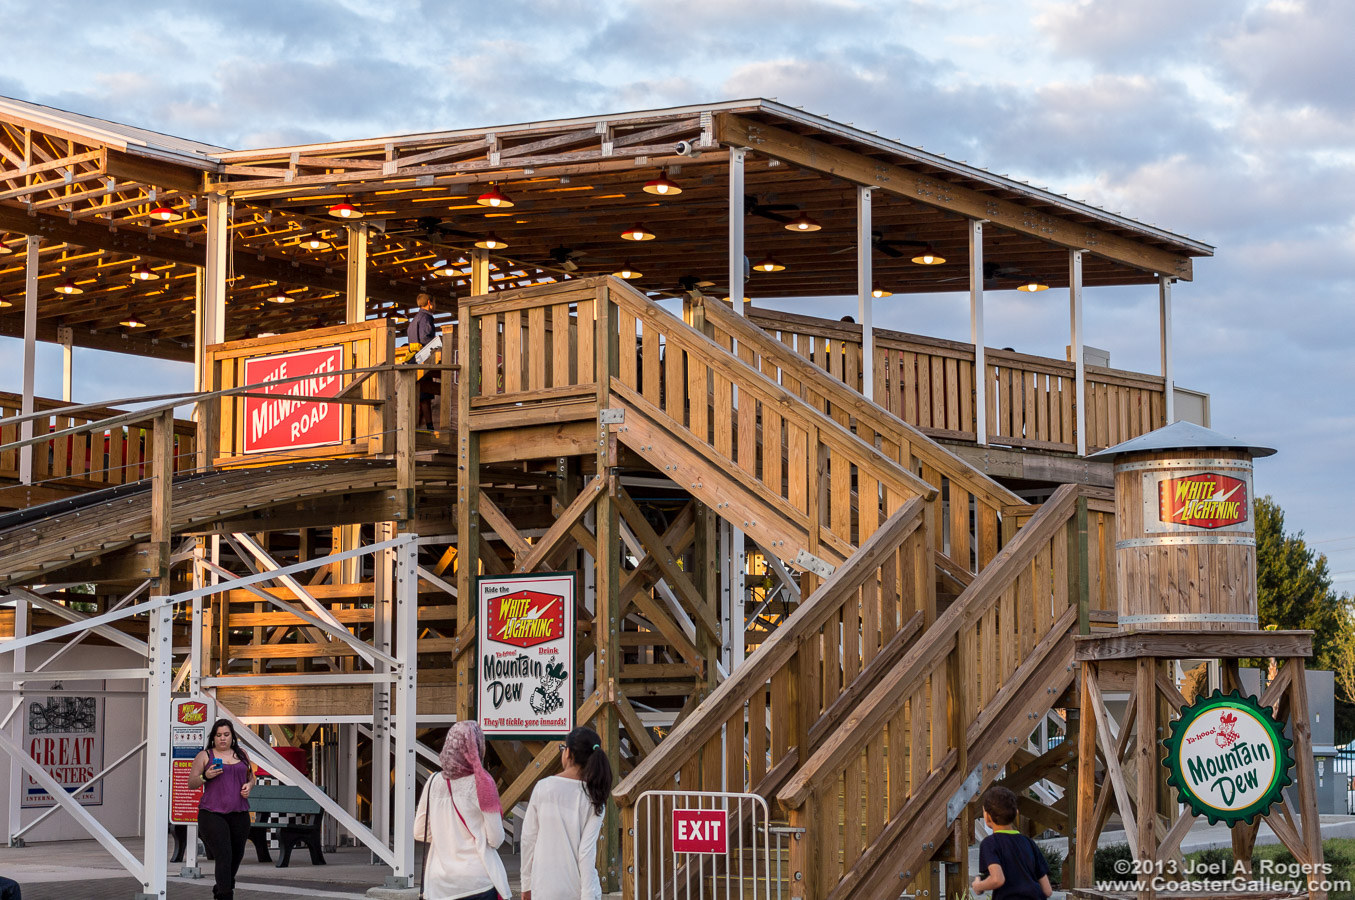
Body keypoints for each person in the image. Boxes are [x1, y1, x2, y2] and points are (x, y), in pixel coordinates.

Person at [414, 721, 511, 900]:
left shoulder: (433, 782)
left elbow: (420, 832)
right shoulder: (482, 783)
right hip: (477, 882)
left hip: (439, 885)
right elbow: (496, 839)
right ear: (478, 747)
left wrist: (446, 835)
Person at [519, 726, 613, 900]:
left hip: (544, 887)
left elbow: (528, 839)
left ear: (568, 753)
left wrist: (526, 884)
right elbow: (586, 853)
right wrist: (588, 895)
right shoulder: (595, 796)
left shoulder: (543, 788)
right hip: (579, 888)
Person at [188, 719, 256, 900]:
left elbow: (252, 777)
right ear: (214, 737)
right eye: (219, 735)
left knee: (237, 855)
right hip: (212, 813)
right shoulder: (205, 755)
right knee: (224, 854)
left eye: (226, 735)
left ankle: (221, 888)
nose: (222, 739)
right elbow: (191, 783)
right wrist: (205, 775)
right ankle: (226, 894)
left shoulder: (242, 754)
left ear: (232, 736)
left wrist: (249, 785)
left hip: (239, 813)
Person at [972, 786, 1052, 900]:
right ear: (1016, 813)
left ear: (987, 816)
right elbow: (1047, 891)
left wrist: (979, 885)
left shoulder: (990, 843)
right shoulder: (1029, 843)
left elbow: (997, 879)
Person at [407, 292, 438, 429]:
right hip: (423, 358)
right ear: (430, 303)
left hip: (413, 359)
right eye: (435, 303)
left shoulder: (414, 320)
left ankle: (423, 426)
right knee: (425, 395)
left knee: (421, 396)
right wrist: (438, 344)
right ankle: (429, 427)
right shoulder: (426, 318)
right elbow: (425, 337)